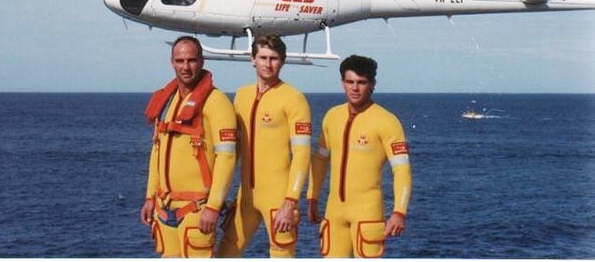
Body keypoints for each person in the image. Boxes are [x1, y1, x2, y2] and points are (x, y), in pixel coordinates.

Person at [140, 36, 237, 257]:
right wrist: (149, 197)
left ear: (202, 61)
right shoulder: (167, 101)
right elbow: (157, 152)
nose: (186, 67)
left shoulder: (217, 102)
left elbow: (227, 158)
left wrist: (213, 206)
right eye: (180, 61)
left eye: (191, 60)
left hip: (197, 211)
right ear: (172, 62)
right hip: (164, 210)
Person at [306, 55, 412, 258]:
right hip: (334, 213)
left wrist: (399, 212)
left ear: (372, 85)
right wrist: (312, 197)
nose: (355, 88)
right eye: (350, 82)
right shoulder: (332, 116)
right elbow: (320, 159)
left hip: (367, 214)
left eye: (361, 82)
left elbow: (401, 169)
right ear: (342, 83)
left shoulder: (387, 121)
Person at [216, 35, 311, 258]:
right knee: (223, 254)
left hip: (279, 199)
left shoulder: (294, 99)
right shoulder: (241, 95)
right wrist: (219, 193)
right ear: (253, 59)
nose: (268, 64)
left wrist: (290, 203)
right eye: (263, 57)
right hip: (245, 197)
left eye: (274, 59)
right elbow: (232, 150)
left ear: (283, 62)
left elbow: (302, 155)